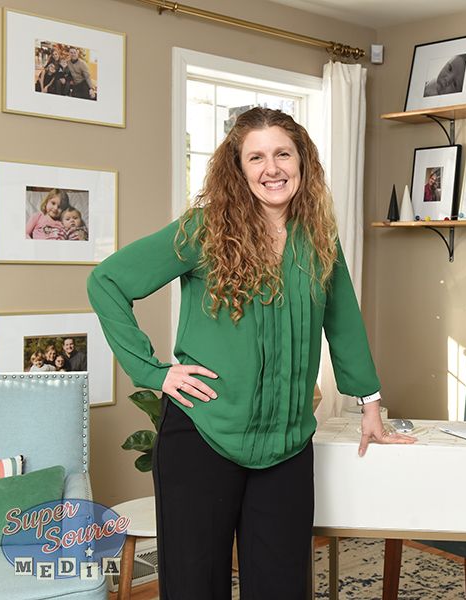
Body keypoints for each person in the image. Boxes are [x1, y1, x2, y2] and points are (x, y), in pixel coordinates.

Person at [87, 107, 415, 600]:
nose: (272, 168)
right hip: (202, 436)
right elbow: (106, 281)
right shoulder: (204, 229)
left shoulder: (319, 237)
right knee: (196, 586)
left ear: (302, 162)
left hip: (286, 444)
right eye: (256, 157)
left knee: (283, 587)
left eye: (283, 153)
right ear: (237, 169)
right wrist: (155, 373)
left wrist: (369, 403)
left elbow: (342, 319)